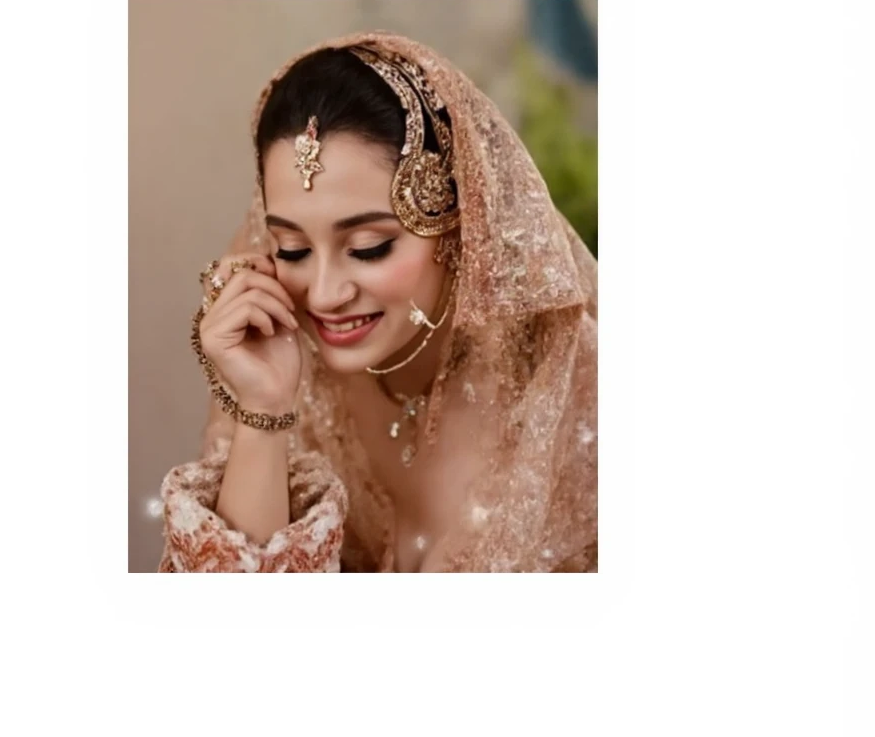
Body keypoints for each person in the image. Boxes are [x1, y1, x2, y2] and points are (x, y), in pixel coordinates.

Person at [157, 32, 597, 572]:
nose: (322, 294)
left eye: (369, 248)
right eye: (291, 249)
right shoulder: (288, 366)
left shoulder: (573, 392)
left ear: (462, 225)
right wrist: (262, 411)